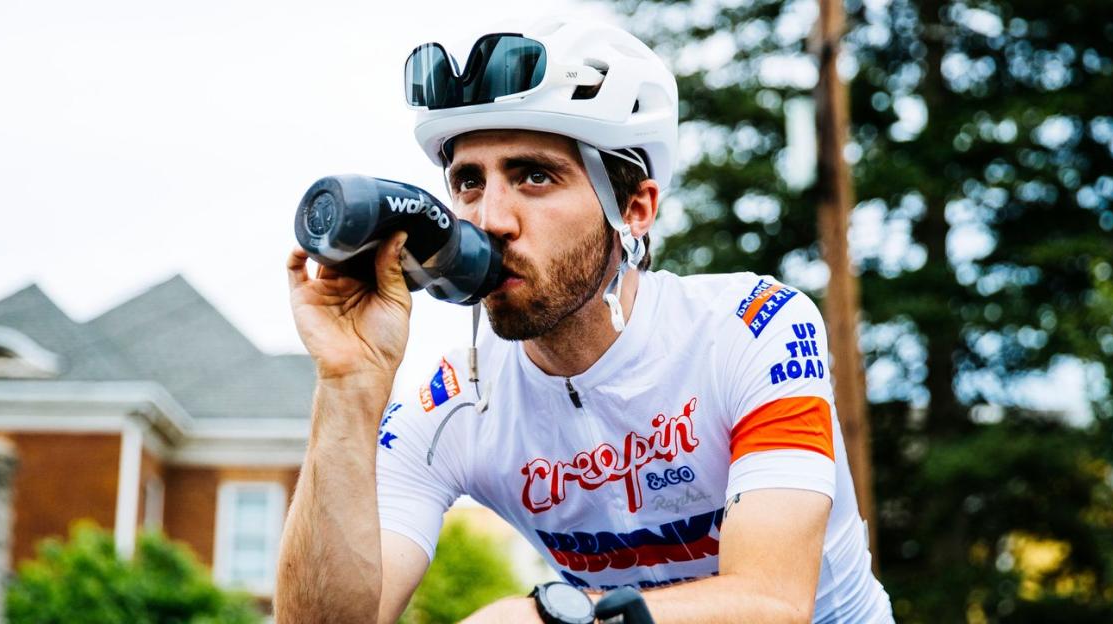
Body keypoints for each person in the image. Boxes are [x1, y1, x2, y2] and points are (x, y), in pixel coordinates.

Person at [278, 18, 893, 624]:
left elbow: (773, 605)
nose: (491, 218)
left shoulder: (752, 328)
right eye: (468, 181)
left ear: (634, 207)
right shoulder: (450, 405)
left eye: (534, 176)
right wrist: (348, 385)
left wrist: (545, 619)